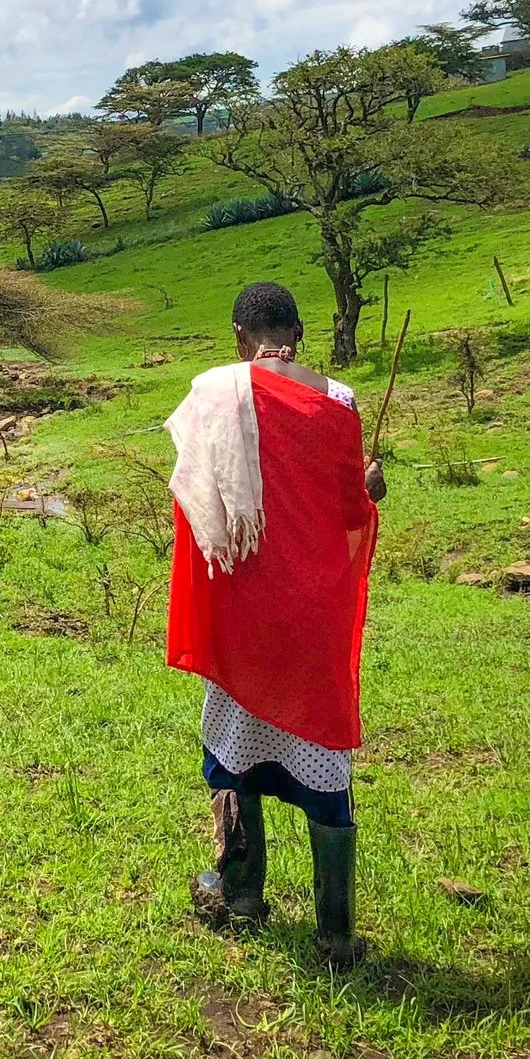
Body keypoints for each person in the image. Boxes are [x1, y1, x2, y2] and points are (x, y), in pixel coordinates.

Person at [164, 280, 386, 957]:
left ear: (239, 334)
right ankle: (336, 932)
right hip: (313, 613)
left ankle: (241, 894)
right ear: (301, 332)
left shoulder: (212, 392)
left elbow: (195, 503)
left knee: (233, 747)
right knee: (322, 751)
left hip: (240, 609)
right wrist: (369, 487)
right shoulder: (339, 399)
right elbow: (351, 512)